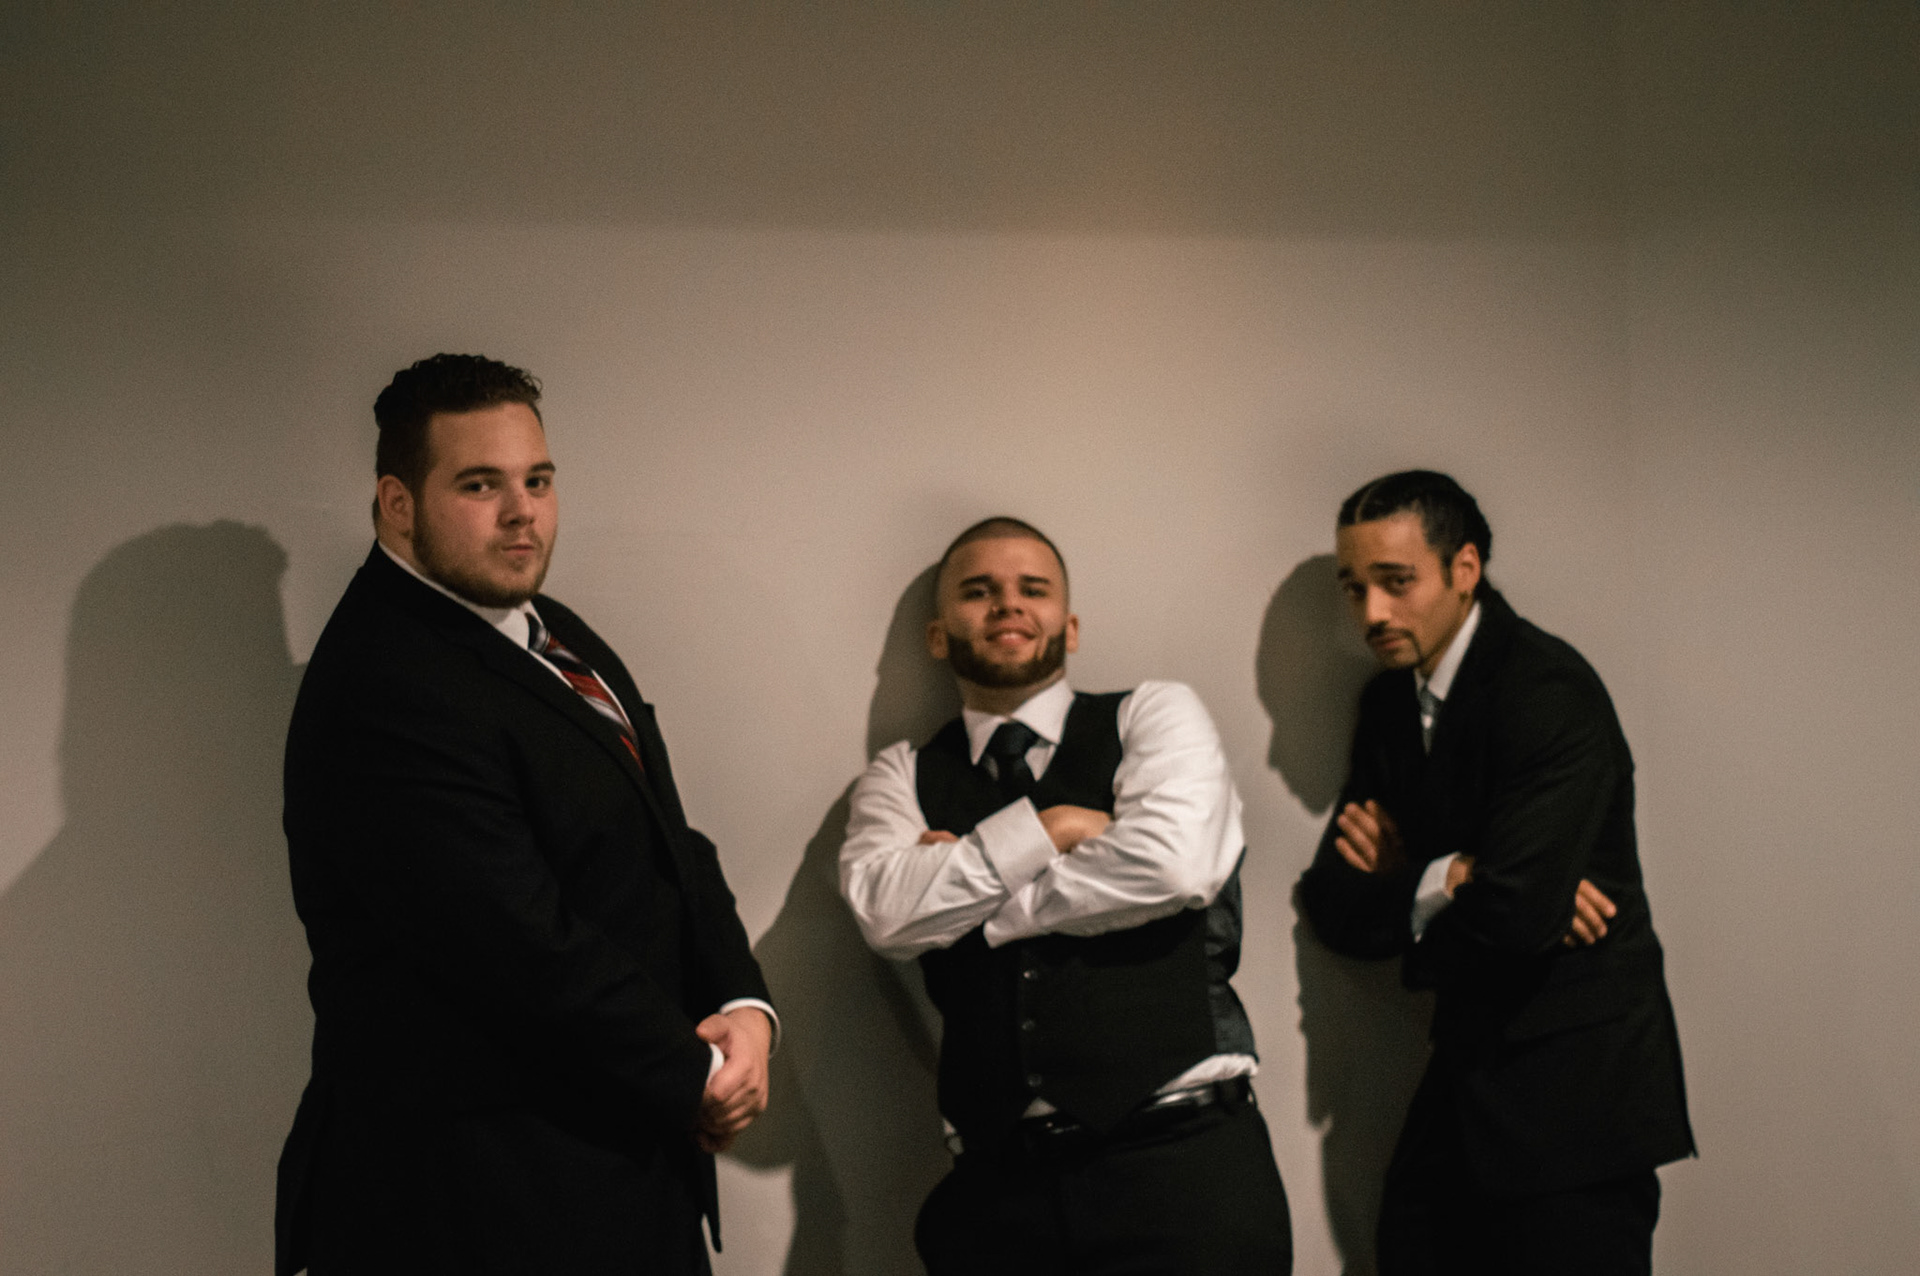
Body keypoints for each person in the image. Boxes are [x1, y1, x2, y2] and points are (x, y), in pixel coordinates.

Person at [275, 354, 775, 1275]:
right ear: (396, 503)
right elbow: (515, 944)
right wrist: (700, 1074)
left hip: (610, 1174)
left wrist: (743, 1007)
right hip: (474, 1207)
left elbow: (665, 836)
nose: (523, 513)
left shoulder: (550, 629)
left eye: (537, 481)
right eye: (480, 485)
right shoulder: (383, 685)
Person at [840, 517, 1292, 1275]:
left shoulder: (1154, 713)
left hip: (1184, 1171)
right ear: (937, 636)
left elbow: (1176, 866)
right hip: (996, 1197)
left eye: (1033, 589)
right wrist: (1051, 829)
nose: (1008, 604)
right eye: (978, 591)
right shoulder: (899, 776)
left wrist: (977, 904)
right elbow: (886, 913)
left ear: (1070, 626)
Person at [1298, 470, 1693, 1275]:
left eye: (1396, 581)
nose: (1372, 613)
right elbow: (1333, 901)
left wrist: (1432, 887)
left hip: (1579, 1099)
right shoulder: (1387, 706)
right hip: (1467, 1078)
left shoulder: (1547, 689)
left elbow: (1516, 918)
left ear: (1465, 569)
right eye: (1355, 587)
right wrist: (1450, 877)